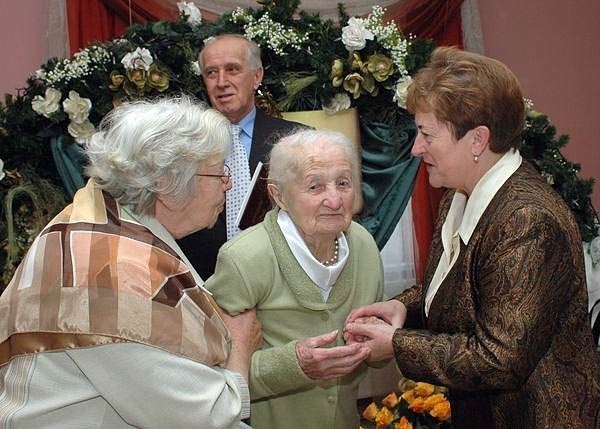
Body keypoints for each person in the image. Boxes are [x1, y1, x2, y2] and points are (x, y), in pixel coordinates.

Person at [343, 47, 600, 428]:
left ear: (478, 140)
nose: (416, 148)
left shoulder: (527, 219)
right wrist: (406, 309)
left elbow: (499, 359)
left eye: (427, 134)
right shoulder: (458, 196)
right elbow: (463, 286)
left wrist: (397, 344)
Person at [0, 97, 262, 428]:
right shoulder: (110, 271)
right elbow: (204, 415)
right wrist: (240, 345)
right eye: (218, 173)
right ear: (167, 183)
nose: (228, 184)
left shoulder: (103, 221)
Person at [204, 129, 385, 429]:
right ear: (279, 196)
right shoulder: (244, 259)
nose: (335, 200)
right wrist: (294, 365)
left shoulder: (364, 245)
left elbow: (376, 357)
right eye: (315, 186)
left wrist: (375, 346)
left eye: (343, 183)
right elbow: (210, 374)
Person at [178, 34, 302, 280]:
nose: (221, 82)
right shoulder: (182, 146)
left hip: (280, 283)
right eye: (212, 73)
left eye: (232, 69)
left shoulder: (296, 141)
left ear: (257, 76)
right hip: (202, 283)